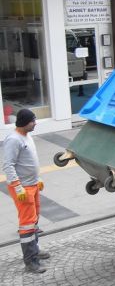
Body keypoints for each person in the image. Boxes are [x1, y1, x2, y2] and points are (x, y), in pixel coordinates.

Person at [2, 109, 50, 273]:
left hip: (32, 185)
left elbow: (29, 161)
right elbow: (8, 165)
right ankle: (31, 261)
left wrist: (38, 178)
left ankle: (35, 249)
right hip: (23, 188)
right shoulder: (13, 140)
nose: (35, 123)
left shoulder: (26, 136)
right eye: (33, 121)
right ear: (24, 122)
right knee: (27, 225)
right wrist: (18, 186)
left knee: (34, 220)